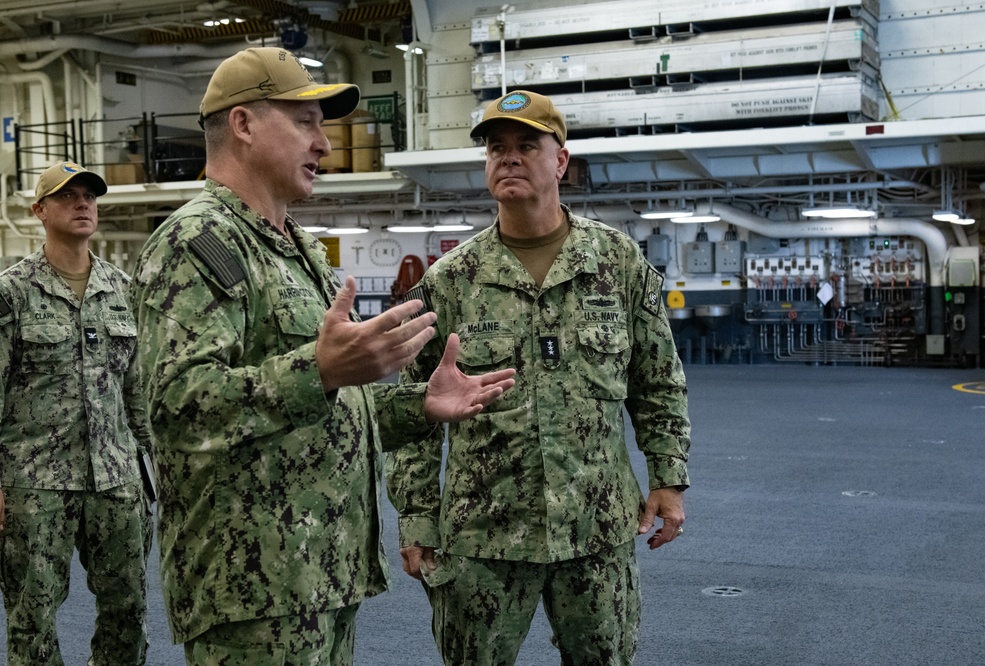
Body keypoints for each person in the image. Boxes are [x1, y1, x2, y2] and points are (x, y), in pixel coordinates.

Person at [129, 47, 515, 665]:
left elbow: (330, 405)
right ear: (244, 124)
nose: (325, 145)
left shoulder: (298, 248)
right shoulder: (193, 243)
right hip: (253, 590)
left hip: (320, 575)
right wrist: (320, 369)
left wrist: (421, 405)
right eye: (304, 122)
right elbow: (175, 411)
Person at [386, 90, 692, 666]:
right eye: (497, 148)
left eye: (528, 145)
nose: (509, 157)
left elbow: (659, 382)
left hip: (595, 526)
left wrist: (669, 479)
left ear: (561, 162)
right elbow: (415, 410)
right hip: (483, 533)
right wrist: (417, 516)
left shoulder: (616, 263)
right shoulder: (451, 280)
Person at [0, 161, 154, 665]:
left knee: (128, 610)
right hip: (35, 483)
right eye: (68, 196)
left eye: (89, 195)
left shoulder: (122, 289)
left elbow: (136, 388)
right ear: (39, 210)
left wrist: (157, 467)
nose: (83, 203)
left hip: (116, 478)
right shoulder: (12, 293)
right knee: (33, 617)